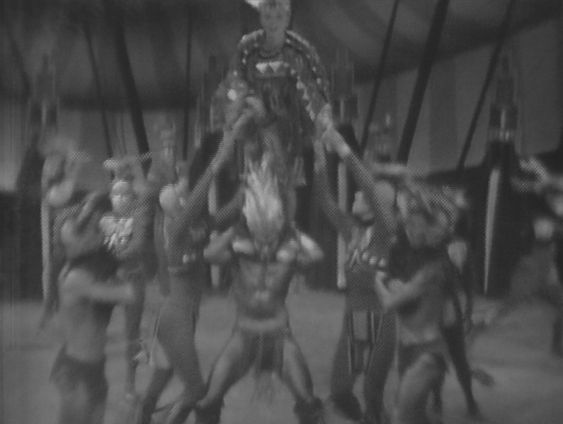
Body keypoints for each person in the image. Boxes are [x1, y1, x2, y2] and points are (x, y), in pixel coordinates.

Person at [138, 92, 260, 424]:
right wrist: (223, 149)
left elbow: (226, 214)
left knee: (164, 375)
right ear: (173, 208)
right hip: (175, 318)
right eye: (178, 196)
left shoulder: (193, 226)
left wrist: (249, 186)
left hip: (185, 315)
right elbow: (202, 187)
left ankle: (143, 416)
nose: (184, 194)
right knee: (195, 390)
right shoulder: (177, 230)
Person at [194, 153, 325, 424]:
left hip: (279, 335)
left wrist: (293, 232)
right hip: (244, 334)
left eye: (271, 232)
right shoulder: (240, 251)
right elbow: (208, 254)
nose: (265, 240)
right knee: (208, 401)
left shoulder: (288, 250)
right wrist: (234, 231)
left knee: (308, 401)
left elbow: (317, 255)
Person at [313, 134, 396, 424]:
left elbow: (370, 188)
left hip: (381, 323)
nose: (356, 197)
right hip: (353, 321)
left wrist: (344, 149)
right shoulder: (353, 230)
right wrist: (320, 159)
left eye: (361, 196)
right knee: (339, 390)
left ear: (375, 205)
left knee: (373, 393)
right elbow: (325, 201)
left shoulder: (386, 231)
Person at [47, 159, 137, 424]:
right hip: (76, 373)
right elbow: (129, 294)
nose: (93, 236)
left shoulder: (92, 269)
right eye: (85, 232)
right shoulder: (75, 278)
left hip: (93, 368)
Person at [373, 180, 463, 424]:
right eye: (408, 225)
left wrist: (377, 280)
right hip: (406, 350)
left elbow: (389, 303)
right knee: (416, 416)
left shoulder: (436, 268)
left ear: (432, 230)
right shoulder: (412, 258)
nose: (410, 230)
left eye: (417, 226)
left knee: (399, 416)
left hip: (428, 352)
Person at [100, 155, 160, 399]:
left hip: (131, 278)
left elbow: (138, 244)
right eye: (116, 194)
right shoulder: (105, 218)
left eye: (125, 194)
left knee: (132, 334)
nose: (120, 198)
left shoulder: (139, 214)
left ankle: (129, 384)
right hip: (108, 279)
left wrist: (114, 258)